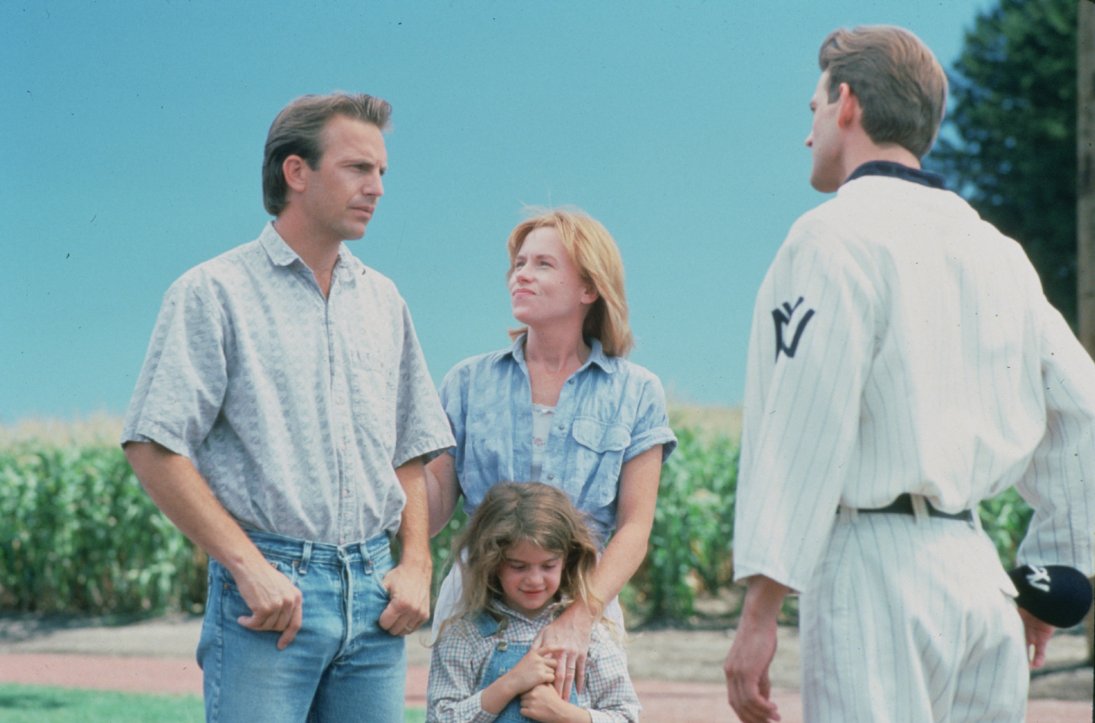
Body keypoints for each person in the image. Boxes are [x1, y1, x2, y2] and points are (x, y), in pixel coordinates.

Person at [724, 25, 1095, 723]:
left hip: (872, 576)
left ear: (846, 104)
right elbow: (1084, 411)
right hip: (979, 580)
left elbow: (801, 429)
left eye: (811, 109)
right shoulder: (997, 251)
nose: (807, 133)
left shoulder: (828, 237)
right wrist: (1050, 580)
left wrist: (759, 612)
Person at [121, 92, 454, 722]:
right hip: (271, 600)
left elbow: (410, 449)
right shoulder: (213, 292)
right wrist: (248, 567)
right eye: (358, 168)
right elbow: (153, 445)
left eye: (382, 172)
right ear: (295, 172)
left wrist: (415, 563)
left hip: (377, 602)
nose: (377, 187)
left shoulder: (384, 300)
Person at [426, 208, 677, 699]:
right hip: (476, 600)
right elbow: (431, 511)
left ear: (589, 288)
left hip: (582, 595)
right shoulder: (466, 382)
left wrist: (579, 619)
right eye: (519, 263)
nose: (522, 274)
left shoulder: (636, 391)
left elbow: (634, 527)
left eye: (543, 264)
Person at [427, 482, 641, 722]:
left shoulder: (590, 637)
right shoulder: (465, 636)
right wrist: (510, 684)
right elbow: (439, 718)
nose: (534, 580)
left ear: (566, 560)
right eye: (519, 566)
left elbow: (626, 716)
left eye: (548, 565)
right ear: (493, 563)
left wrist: (566, 715)